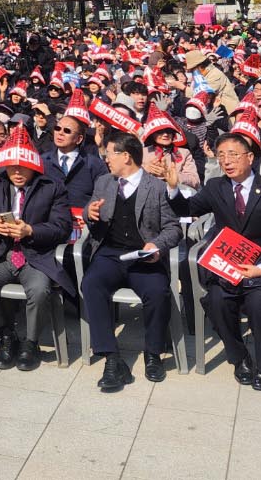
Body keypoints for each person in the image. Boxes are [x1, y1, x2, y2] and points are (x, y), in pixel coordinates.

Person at [166, 128, 261, 390]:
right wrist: (172, 188)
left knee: (259, 303)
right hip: (228, 266)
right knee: (216, 301)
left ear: (250, 158)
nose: (226, 161)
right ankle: (240, 358)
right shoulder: (216, 187)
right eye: (221, 155)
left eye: (233, 155)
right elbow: (187, 210)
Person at [81, 132, 183, 391]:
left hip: (143, 255)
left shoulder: (157, 187)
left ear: (126, 156)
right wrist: (89, 214)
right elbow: (89, 209)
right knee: (92, 284)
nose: (106, 160)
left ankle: (153, 353)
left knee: (157, 292)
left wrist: (156, 245)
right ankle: (111, 358)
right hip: (110, 252)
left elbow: (173, 229)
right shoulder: (104, 182)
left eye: (109, 154)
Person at [0, 134, 73, 371]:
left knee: (39, 289)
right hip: (0, 254)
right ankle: (6, 335)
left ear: (33, 165)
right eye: (12, 166)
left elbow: (62, 227)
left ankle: (31, 343)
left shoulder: (51, 187)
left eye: (23, 167)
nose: (17, 172)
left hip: (35, 257)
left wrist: (31, 230)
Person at [41, 110, 107, 209]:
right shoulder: (42, 161)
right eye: (57, 128)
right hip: (50, 221)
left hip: (83, 221)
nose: (60, 133)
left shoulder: (95, 164)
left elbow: (102, 197)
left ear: (79, 139)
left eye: (67, 131)